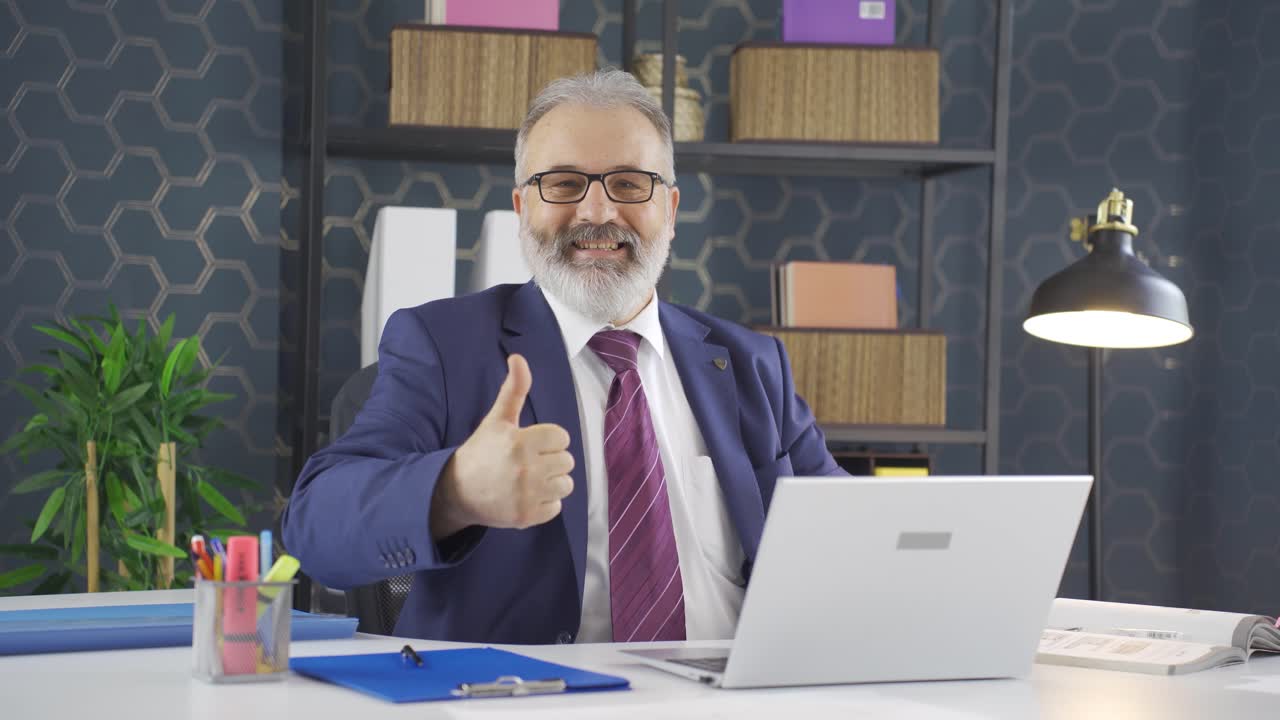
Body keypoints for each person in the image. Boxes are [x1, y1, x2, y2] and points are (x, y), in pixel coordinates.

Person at [281, 68, 844, 645]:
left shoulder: (751, 363)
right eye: (564, 183)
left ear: (670, 211)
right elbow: (314, 526)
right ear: (523, 206)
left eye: (629, 184)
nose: (597, 213)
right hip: (532, 699)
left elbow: (850, 536)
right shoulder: (442, 345)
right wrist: (454, 490)